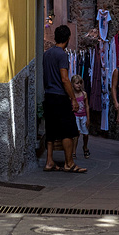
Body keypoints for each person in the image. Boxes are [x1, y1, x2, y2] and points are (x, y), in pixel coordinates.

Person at [43, 25, 87, 173]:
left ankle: (49, 161)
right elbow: (65, 79)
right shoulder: (62, 55)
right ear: (68, 38)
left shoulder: (47, 54)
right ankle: (69, 163)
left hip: (48, 95)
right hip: (60, 97)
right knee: (68, 130)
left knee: (51, 130)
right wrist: (73, 99)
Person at [71, 74, 90, 159]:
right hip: (75, 116)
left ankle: (85, 147)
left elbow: (87, 106)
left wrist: (88, 118)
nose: (79, 85)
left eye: (80, 83)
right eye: (77, 83)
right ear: (73, 84)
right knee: (77, 133)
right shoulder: (71, 95)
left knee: (85, 134)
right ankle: (74, 151)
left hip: (83, 116)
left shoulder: (84, 94)